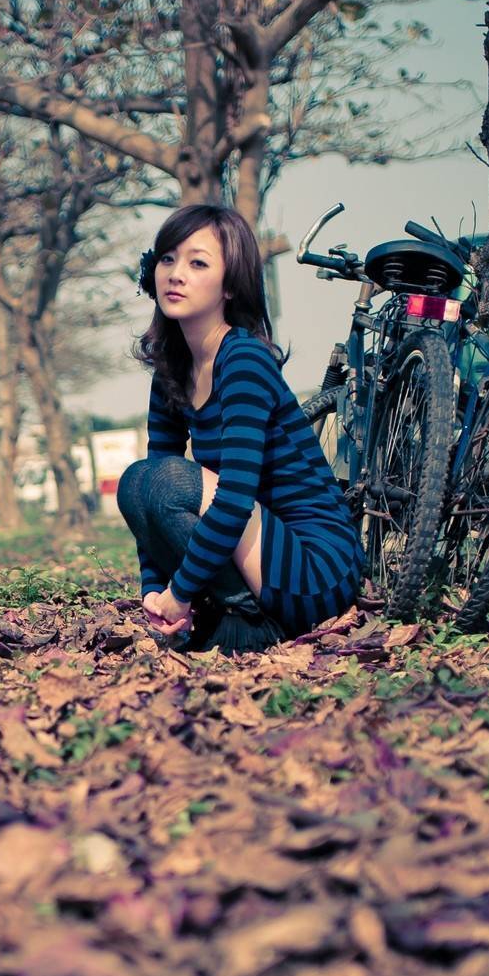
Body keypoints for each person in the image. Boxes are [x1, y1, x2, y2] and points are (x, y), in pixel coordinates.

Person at [116, 204, 362, 655]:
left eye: (198, 263)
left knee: (170, 481)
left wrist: (181, 592)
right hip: (253, 550)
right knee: (137, 481)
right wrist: (155, 590)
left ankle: (249, 616)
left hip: (313, 569)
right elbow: (147, 501)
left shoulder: (244, 360)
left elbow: (231, 498)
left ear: (230, 286)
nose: (175, 274)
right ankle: (229, 611)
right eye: (167, 259)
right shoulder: (171, 370)